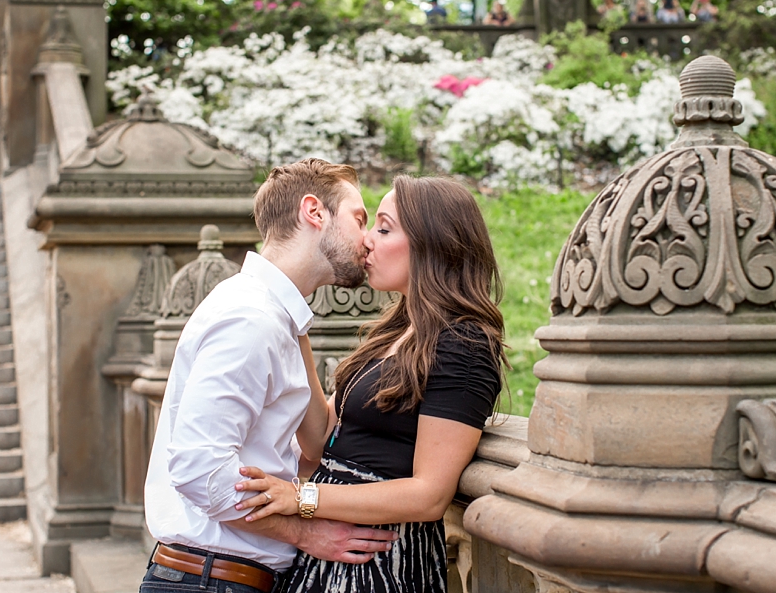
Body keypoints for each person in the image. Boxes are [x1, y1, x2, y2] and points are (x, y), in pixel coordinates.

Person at [233, 175, 507, 593]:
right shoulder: (395, 331)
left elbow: (429, 495)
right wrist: (296, 322)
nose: (366, 242)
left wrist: (302, 498)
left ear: (432, 241)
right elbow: (320, 437)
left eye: (383, 227)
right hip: (330, 553)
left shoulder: (463, 345)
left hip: (380, 562)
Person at [141, 159, 398, 593]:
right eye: (359, 219)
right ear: (314, 212)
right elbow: (198, 467)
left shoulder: (276, 316)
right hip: (210, 580)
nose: (368, 238)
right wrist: (304, 533)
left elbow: (317, 440)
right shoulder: (250, 318)